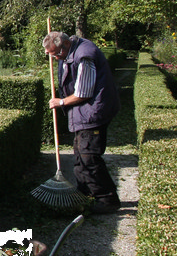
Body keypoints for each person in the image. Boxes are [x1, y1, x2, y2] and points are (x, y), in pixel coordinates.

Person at [43, 30, 121, 214]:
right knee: (80, 155)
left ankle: (106, 200)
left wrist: (61, 102)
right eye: (51, 55)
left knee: (89, 157)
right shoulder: (68, 52)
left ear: (65, 45)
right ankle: (85, 194)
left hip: (93, 112)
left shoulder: (85, 56)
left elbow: (83, 93)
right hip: (84, 112)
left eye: (56, 54)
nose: (55, 58)